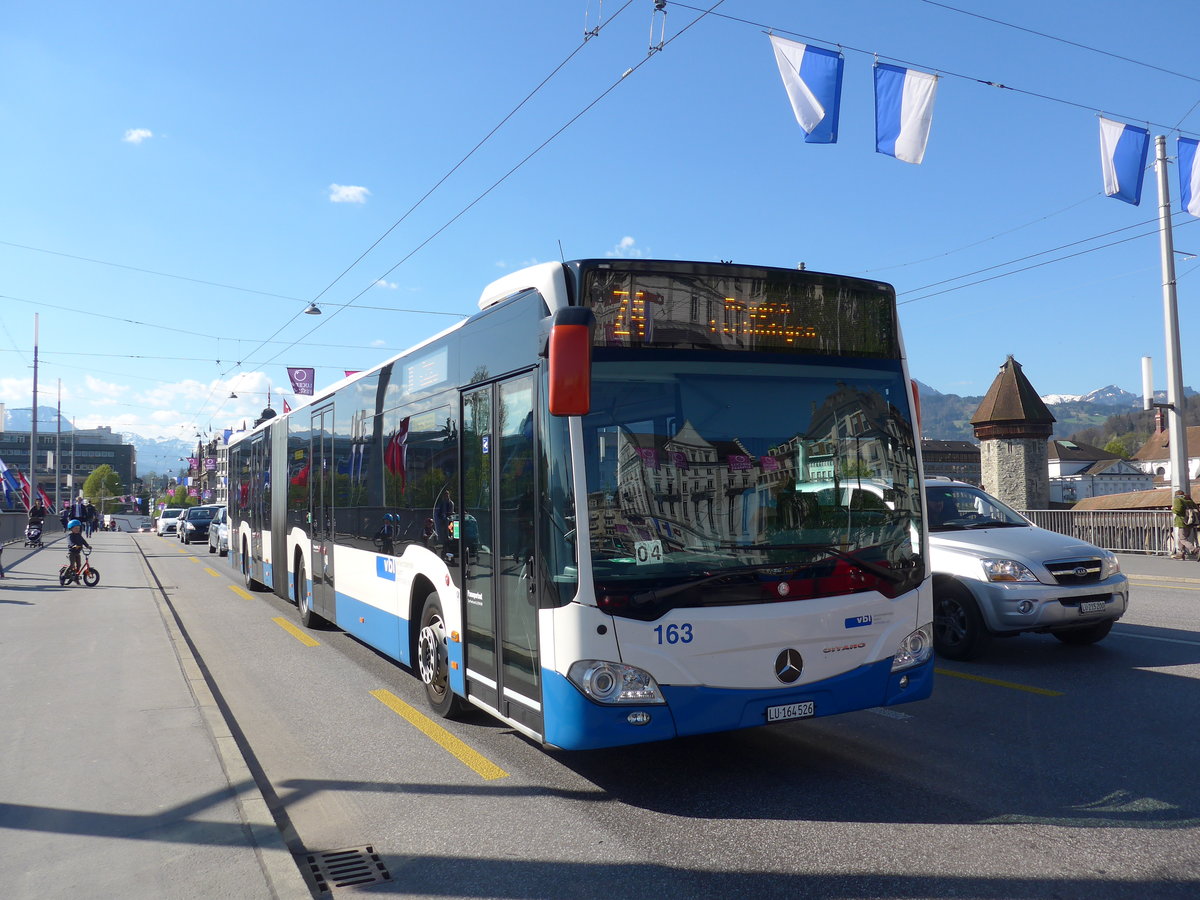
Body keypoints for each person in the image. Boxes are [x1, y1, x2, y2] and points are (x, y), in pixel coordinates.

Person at [1171, 489, 1199, 560]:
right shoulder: (1189, 500)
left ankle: (1195, 550)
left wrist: (1173, 509)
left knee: (1182, 539)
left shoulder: (1178, 499)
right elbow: (1196, 508)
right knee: (1182, 538)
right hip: (1190, 521)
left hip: (1182, 522)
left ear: (1176, 495)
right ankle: (1181, 554)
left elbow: (1178, 510)